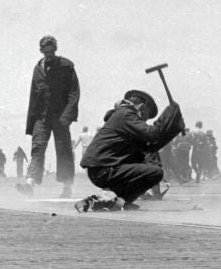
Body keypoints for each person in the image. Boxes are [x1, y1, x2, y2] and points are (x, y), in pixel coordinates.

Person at [75, 89, 184, 211]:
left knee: (153, 172)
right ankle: (110, 200)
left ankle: (111, 201)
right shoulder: (126, 115)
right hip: (105, 169)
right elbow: (152, 133)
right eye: (146, 116)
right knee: (155, 172)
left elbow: (151, 146)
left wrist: (175, 128)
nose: (144, 121)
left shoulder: (122, 117)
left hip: (102, 169)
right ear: (142, 107)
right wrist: (170, 112)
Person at [24, 35, 80, 197]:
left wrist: (67, 116)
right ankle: (30, 184)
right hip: (41, 117)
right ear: (41, 51)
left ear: (55, 49)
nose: (48, 54)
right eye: (45, 51)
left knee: (64, 151)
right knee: (37, 148)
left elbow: (74, 93)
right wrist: (32, 120)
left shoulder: (66, 66)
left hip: (61, 117)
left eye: (51, 51)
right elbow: (33, 96)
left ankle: (67, 187)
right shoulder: (38, 68)